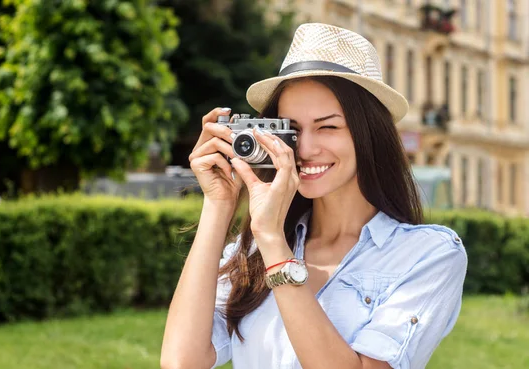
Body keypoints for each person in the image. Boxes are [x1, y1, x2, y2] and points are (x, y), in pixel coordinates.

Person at [161, 23, 468, 369]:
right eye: (290, 129)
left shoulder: (428, 255)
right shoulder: (252, 252)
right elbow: (181, 361)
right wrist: (219, 204)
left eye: (328, 127)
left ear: (369, 134)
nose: (304, 149)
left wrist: (276, 246)